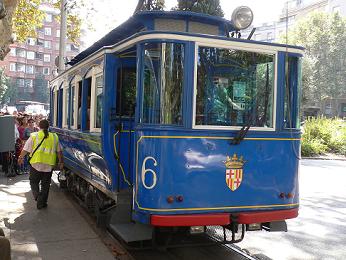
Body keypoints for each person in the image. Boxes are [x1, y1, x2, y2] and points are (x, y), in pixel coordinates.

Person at [18, 119, 63, 209]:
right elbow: (59, 151)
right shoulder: (54, 137)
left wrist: (20, 158)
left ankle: (38, 197)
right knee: (45, 185)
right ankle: (42, 203)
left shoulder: (34, 136)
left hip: (36, 164)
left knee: (33, 182)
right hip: (49, 165)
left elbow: (26, 149)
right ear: (48, 127)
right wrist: (61, 162)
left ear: (39, 126)